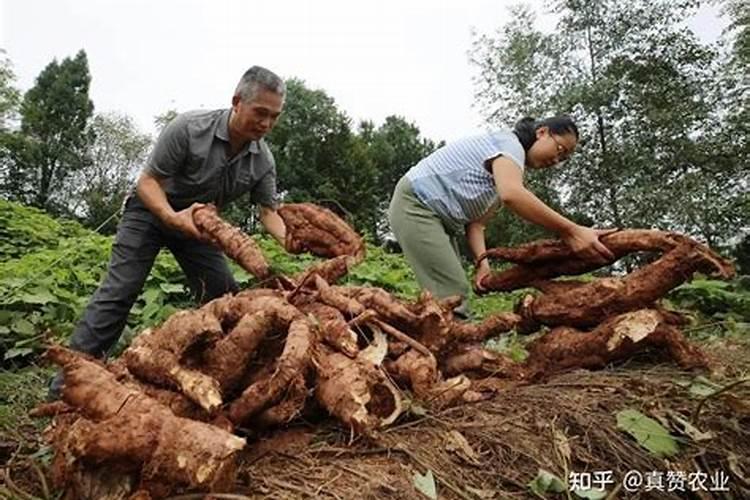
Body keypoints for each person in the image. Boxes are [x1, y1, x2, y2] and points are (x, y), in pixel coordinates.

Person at [48, 65, 288, 399]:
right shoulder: (189, 128)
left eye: (274, 117)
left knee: (224, 295)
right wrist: (171, 216)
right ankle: (66, 387)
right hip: (149, 211)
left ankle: (221, 377)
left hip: (199, 225)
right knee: (120, 291)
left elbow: (268, 212)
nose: (266, 123)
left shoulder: (263, 160)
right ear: (237, 101)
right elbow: (147, 182)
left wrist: (292, 240)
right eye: (260, 112)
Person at [387, 115, 615, 318]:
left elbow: (477, 225)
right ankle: (453, 355)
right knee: (452, 293)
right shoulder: (509, 145)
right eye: (559, 150)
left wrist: (483, 264)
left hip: (435, 217)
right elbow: (512, 195)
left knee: (448, 292)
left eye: (563, 159)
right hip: (416, 205)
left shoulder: (501, 175)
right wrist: (572, 230)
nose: (556, 161)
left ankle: (431, 347)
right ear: (542, 132)